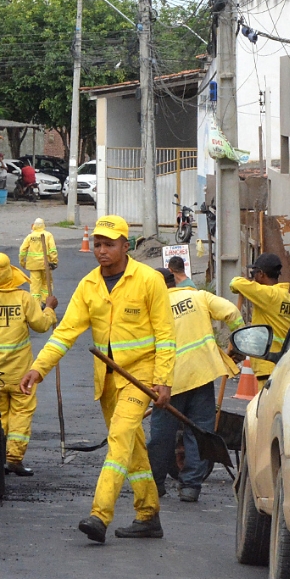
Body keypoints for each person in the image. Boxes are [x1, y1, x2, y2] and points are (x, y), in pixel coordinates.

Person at [19, 215, 175, 543]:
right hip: (106, 380)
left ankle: (99, 515)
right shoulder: (89, 286)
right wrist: (38, 368)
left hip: (140, 377)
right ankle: (148, 515)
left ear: (125, 246)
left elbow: (165, 334)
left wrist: (164, 381)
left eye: (109, 244)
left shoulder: (149, 280)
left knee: (119, 439)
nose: (102, 251)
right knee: (133, 449)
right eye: (98, 245)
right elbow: (65, 333)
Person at [148, 267, 243, 503]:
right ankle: (191, 487)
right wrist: (238, 341)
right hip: (201, 374)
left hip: (168, 380)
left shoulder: (152, 308)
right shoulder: (198, 296)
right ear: (175, 282)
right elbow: (232, 311)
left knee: (162, 435)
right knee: (199, 432)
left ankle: (155, 485)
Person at [0, 253, 58, 476]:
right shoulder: (24, 298)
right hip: (22, 373)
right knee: (21, 413)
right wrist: (49, 308)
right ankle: (14, 458)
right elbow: (40, 325)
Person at [230, 253, 290, 381]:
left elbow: (235, 283)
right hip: (284, 364)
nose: (253, 277)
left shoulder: (268, 295)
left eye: (254, 273)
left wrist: (247, 282)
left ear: (261, 274)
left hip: (268, 364)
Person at [19, 218, 58, 303]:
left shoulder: (30, 236)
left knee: (35, 286)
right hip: (45, 264)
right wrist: (54, 261)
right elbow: (53, 250)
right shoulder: (48, 235)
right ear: (43, 225)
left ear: (34, 226)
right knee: (46, 284)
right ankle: (45, 302)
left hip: (33, 265)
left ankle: (36, 305)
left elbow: (22, 250)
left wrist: (22, 262)